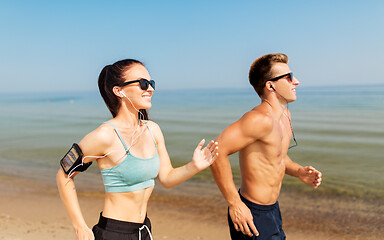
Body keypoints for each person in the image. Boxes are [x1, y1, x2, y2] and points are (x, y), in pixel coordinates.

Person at [56, 59, 219, 240]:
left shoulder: (153, 129)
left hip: (143, 230)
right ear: (119, 91)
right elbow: (64, 175)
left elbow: (166, 178)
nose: (150, 89)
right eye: (143, 83)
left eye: (151, 83)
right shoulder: (104, 135)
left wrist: (194, 166)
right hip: (113, 233)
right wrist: (79, 226)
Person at [210, 53, 322, 240]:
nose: (297, 81)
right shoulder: (258, 120)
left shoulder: (285, 115)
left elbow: (276, 157)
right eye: (289, 77)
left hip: (273, 210)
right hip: (252, 214)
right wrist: (235, 204)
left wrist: (299, 171)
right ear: (270, 85)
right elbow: (216, 152)